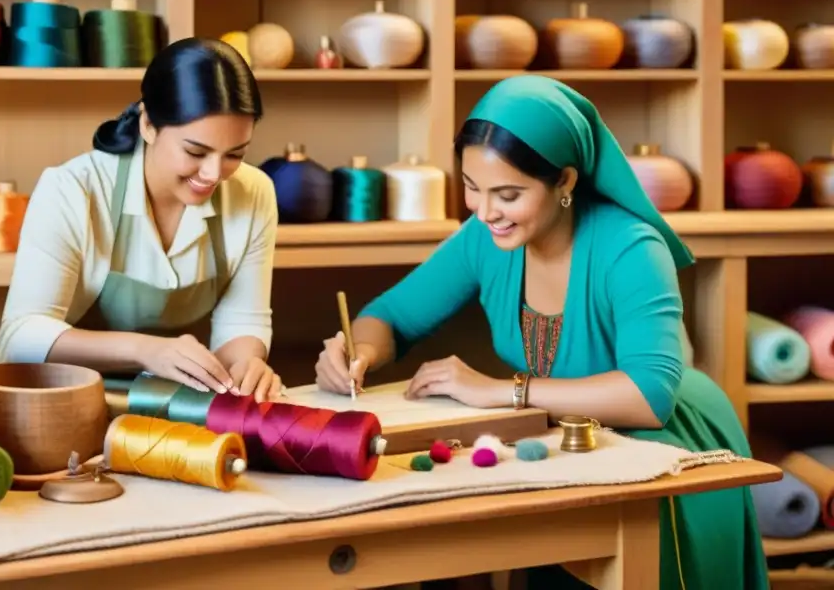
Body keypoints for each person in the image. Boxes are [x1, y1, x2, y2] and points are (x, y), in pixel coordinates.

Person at [315, 75, 767, 589]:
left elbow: (649, 395)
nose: (485, 211)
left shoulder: (631, 248)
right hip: (566, 441)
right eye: (471, 187)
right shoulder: (486, 237)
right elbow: (391, 316)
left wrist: (501, 392)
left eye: (508, 194)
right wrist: (360, 352)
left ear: (565, 182)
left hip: (665, 447)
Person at [0, 37, 282, 401]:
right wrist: (146, 350)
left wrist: (247, 365)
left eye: (234, 154)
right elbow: (19, 338)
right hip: (70, 403)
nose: (213, 173)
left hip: (181, 405)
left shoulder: (255, 192)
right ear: (148, 124)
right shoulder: (73, 189)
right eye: (196, 151)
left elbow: (244, 321)